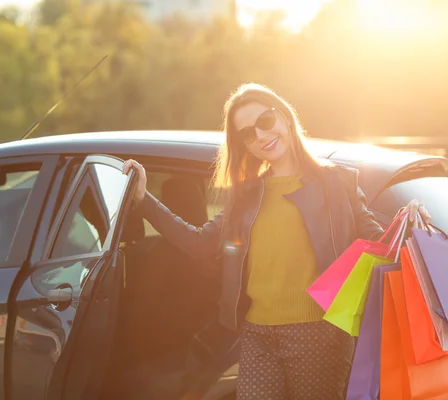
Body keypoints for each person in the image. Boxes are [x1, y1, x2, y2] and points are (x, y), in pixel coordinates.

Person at [122, 83, 431, 400]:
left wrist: (410, 224)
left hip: (319, 334)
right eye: (247, 134)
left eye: (265, 122)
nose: (261, 136)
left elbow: (379, 241)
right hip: (257, 334)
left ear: (284, 117)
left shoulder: (337, 182)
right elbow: (199, 244)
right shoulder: (245, 195)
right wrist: (144, 200)